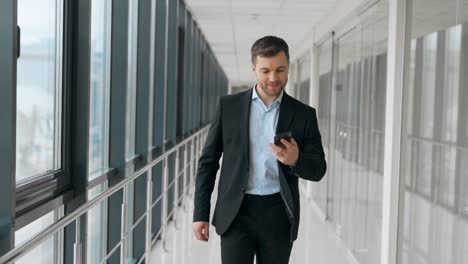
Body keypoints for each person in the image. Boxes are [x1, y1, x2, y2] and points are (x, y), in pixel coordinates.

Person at [192, 35, 327, 264]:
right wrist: (200, 213)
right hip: (235, 212)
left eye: (280, 70)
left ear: (288, 67)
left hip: (278, 213)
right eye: (266, 71)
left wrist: (296, 159)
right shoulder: (229, 106)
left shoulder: (304, 114)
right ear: (253, 68)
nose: (274, 78)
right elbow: (208, 162)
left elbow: (318, 169)